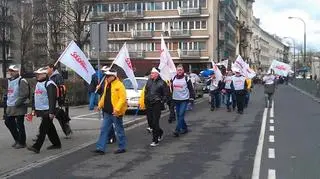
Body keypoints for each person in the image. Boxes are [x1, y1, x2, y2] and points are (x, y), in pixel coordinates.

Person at [27, 67, 61, 153]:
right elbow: (35, 97)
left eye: (39, 74)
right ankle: (56, 144)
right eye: (36, 74)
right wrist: (34, 109)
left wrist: (51, 112)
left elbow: (52, 99)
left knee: (43, 128)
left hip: (48, 110)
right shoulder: (38, 84)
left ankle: (36, 147)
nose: (37, 75)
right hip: (42, 110)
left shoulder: (50, 84)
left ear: (45, 74)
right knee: (49, 128)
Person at [93, 69, 127, 155]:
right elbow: (104, 96)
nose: (106, 77)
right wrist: (100, 106)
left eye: (108, 76)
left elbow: (122, 99)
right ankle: (100, 148)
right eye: (106, 76)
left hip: (116, 112)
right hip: (107, 112)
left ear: (113, 76)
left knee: (119, 130)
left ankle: (122, 147)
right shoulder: (107, 84)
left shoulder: (120, 85)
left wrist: (117, 109)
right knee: (104, 130)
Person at [4, 65, 29, 149]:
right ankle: (17, 139)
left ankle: (22, 142)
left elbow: (24, 94)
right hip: (10, 106)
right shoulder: (10, 80)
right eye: (10, 71)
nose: (11, 72)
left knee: (19, 124)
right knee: (8, 121)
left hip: (19, 106)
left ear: (17, 71)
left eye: (13, 71)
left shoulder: (22, 80)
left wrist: (17, 103)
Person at [47, 64, 72, 138]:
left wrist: (60, 99)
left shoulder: (58, 76)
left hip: (56, 100)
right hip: (49, 100)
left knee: (60, 117)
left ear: (52, 69)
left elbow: (61, 88)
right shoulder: (48, 77)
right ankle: (41, 134)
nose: (46, 70)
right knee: (46, 118)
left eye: (47, 68)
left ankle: (67, 131)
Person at [144, 67, 168, 146]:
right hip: (148, 104)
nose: (151, 74)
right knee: (150, 122)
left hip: (156, 104)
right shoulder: (149, 81)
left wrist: (161, 101)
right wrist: (144, 100)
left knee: (155, 122)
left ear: (157, 74)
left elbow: (166, 94)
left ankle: (155, 140)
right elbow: (146, 91)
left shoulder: (162, 83)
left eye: (153, 73)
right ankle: (160, 132)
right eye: (151, 73)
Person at [172, 64, 195, 137]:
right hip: (176, 99)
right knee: (179, 115)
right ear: (176, 71)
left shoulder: (186, 78)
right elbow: (171, 89)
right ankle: (184, 128)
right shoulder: (173, 78)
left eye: (180, 70)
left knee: (181, 114)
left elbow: (191, 89)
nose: (179, 71)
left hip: (184, 100)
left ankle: (177, 130)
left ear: (183, 71)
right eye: (178, 70)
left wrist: (191, 99)